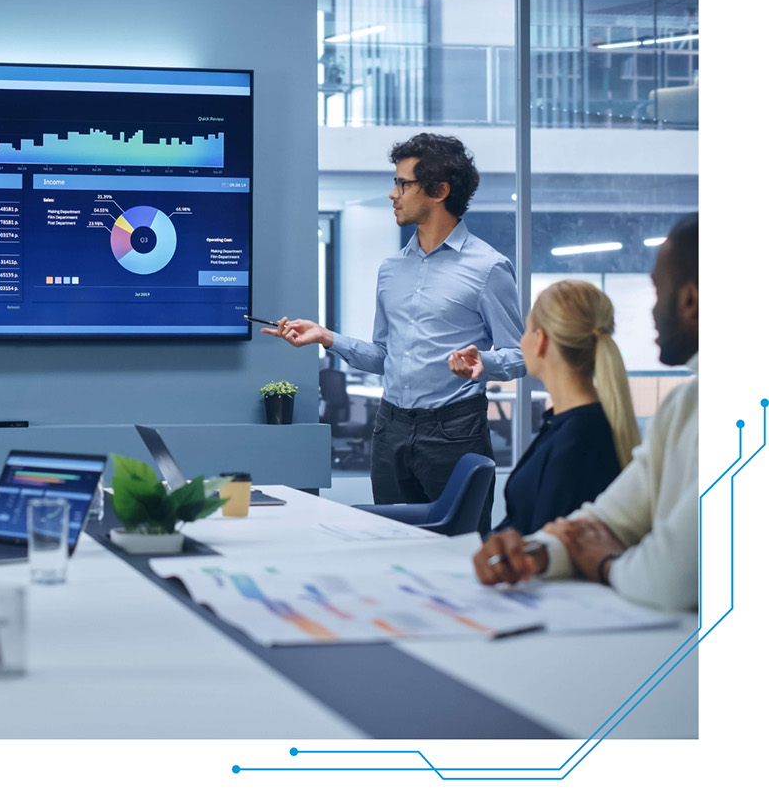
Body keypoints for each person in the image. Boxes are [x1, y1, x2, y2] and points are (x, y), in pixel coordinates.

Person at [266, 133, 525, 530]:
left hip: (454, 431)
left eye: (403, 183)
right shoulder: (391, 269)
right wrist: (326, 337)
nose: (393, 193)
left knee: (458, 549)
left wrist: (482, 363)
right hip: (391, 428)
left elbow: (519, 356)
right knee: (389, 542)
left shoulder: (489, 268)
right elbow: (383, 356)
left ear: (439, 190)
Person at [473, 214, 698, 613]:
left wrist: (606, 563)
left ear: (690, 301)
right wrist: (536, 551)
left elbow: (672, 577)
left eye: (657, 290)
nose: (652, 310)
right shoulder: (684, 406)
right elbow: (605, 520)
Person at [493, 280, 639, 534]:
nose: (521, 342)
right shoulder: (570, 425)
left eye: (526, 331)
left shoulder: (580, 440)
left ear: (540, 341)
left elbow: (542, 548)